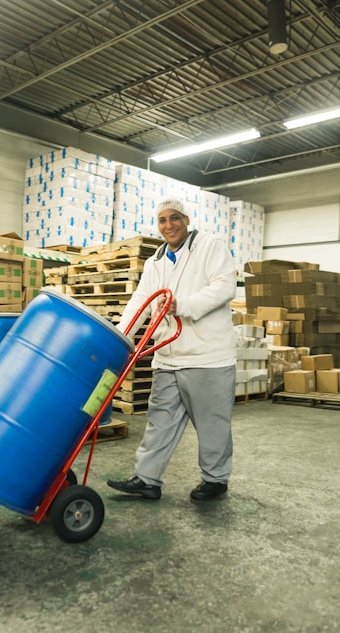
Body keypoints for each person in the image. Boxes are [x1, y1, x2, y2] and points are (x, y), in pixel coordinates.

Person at [107, 198, 236, 502]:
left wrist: (183, 305)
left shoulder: (210, 246)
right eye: (162, 220)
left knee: (211, 424)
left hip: (207, 357)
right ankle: (147, 479)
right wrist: (120, 337)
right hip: (167, 356)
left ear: (187, 219)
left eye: (175, 218)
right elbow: (141, 300)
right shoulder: (156, 261)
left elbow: (224, 286)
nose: (169, 225)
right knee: (159, 421)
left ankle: (215, 480)